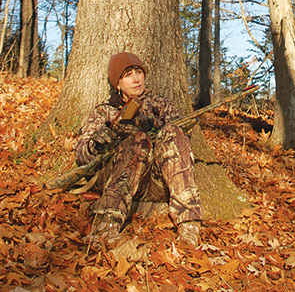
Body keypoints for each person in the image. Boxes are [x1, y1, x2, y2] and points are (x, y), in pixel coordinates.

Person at [75, 51, 203, 250]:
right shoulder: (105, 111)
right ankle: (105, 227)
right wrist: (96, 143)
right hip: (119, 180)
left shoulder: (162, 105)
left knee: (172, 130)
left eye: (138, 72)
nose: (136, 79)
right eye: (127, 75)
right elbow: (82, 156)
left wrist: (157, 126)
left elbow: (182, 142)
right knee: (136, 141)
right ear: (117, 84)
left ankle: (189, 225)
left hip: (157, 180)